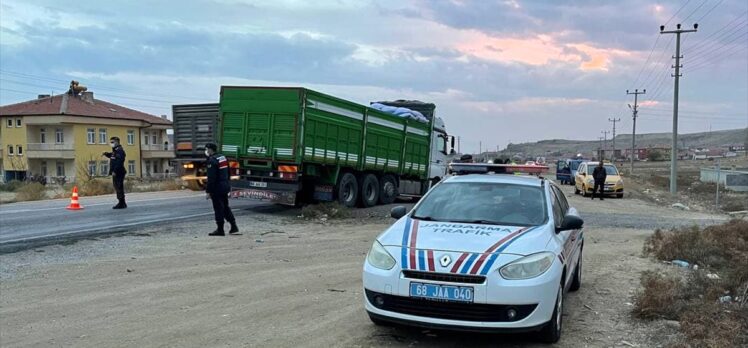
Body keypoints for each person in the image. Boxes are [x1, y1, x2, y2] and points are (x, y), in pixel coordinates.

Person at [204, 143, 239, 236]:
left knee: (218, 208)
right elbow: (228, 173)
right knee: (225, 207)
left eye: (206, 149)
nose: (206, 151)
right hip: (225, 186)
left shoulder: (212, 160)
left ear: (210, 150)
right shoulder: (223, 157)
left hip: (217, 188)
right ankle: (233, 226)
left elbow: (211, 178)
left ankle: (220, 229)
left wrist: (208, 191)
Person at [103, 136, 127, 209]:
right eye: (111, 142)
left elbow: (119, 162)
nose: (111, 143)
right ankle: (122, 203)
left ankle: (121, 203)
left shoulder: (120, 151)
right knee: (117, 187)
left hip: (118, 172)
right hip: (116, 172)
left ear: (117, 142)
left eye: (112, 142)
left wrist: (114, 171)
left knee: (119, 187)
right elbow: (113, 156)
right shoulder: (115, 151)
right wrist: (107, 154)